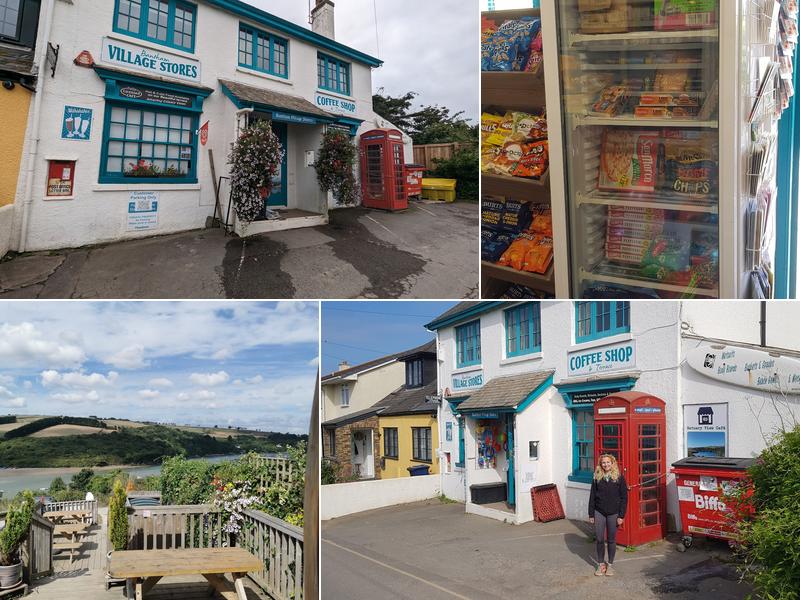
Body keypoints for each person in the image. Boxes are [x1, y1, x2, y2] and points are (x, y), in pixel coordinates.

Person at [588, 453, 628, 577]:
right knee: (600, 539)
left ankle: (610, 565)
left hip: (614, 513)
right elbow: (592, 496)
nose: (606, 464)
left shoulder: (619, 477)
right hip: (599, 511)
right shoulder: (596, 477)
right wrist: (591, 514)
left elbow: (624, 497)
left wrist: (621, 516)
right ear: (600, 464)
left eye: (608, 462)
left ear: (612, 463)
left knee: (611, 540)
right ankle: (601, 564)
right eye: (603, 462)